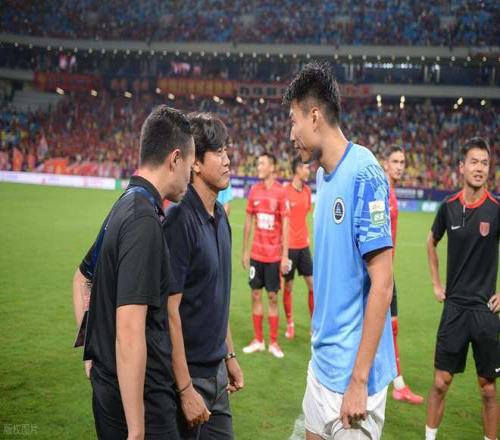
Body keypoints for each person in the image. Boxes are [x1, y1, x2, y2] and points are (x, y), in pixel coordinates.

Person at [284, 61, 396, 440]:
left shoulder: (365, 173)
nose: (291, 133)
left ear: (314, 116)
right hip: (322, 365)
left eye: (294, 121)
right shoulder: (321, 175)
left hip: (353, 379)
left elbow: (383, 284)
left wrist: (359, 381)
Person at [72, 105, 195, 440]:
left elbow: (82, 278)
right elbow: (129, 331)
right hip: (142, 403)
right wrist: (137, 429)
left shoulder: (126, 203)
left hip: (110, 389)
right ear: (175, 159)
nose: (190, 176)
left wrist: (92, 351)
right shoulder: (143, 220)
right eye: (189, 164)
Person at [164, 113, 244, 439]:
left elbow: (216, 297)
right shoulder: (179, 221)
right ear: (195, 163)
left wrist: (230, 355)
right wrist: (185, 390)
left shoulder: (221, 216)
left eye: (226, 151)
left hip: (217, 375)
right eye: (218, 152)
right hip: (189, 379)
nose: (227, 160)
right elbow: (169, 311)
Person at [425, 137, 499, 440]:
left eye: (485, 163)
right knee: (440, 383)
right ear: (461, 166)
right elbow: (431, 241)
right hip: (454, 308)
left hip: (484, 311)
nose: (479, 168)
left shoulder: (496, 209)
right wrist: (436, 283)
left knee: (488, 390)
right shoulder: (449, 207)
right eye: (474, 162)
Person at [382, 145, 424, 405]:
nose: (399, 166)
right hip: (377, 274)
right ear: (385, 164)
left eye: (402, 162)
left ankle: (398, 384)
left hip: (388, 272)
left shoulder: (392, 192)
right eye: (395, 161)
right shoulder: (381, 191)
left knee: (391, 327)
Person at [241, 152, 290, 359]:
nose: (258, 167)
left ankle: (274, 342)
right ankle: (259, 340)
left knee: (272, 297)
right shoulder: (254, 190)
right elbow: (248, 222)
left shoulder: (281, 192)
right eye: (258, 163)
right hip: (256, 254)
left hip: (273, 256)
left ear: (272, 167)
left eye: (262, 163)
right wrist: (245, 251)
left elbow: (286, 225)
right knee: (255, 294)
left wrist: (285, 256)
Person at [283, 156, 314, 339]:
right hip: (289, 248)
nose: (308, 171)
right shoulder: (285, 192)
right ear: (297, 169)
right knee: (288, 287)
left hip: (304, 246)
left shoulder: (308, 191)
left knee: (312, 285)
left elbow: (304, 215)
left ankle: (314, 325)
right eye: (306, 168)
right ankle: (290, 324)